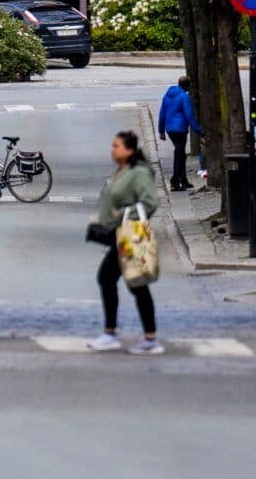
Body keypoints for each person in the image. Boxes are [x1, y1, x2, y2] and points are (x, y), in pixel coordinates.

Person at [88, 131, 162, 355]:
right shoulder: (123, 171)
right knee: (119, 281)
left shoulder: (138, 173)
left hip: (130, 236)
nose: (113, 150)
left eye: (117, 146)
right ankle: (120, 333)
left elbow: (149, 202)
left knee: (133, 282)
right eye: (112, 146)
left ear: (129, 150)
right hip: (118, 237)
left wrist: (123, 214)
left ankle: (138, 337)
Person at [157, 76, 201, 192]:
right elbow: (189, 114)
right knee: (179, 155)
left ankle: (183, 180)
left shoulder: (167, 96)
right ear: (187, 85)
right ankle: (175, 181)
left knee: (180, 153)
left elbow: (162, 113)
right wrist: (197, 129)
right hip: (180, 129)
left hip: (170, 129)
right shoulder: (184, 96)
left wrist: (161, 131)